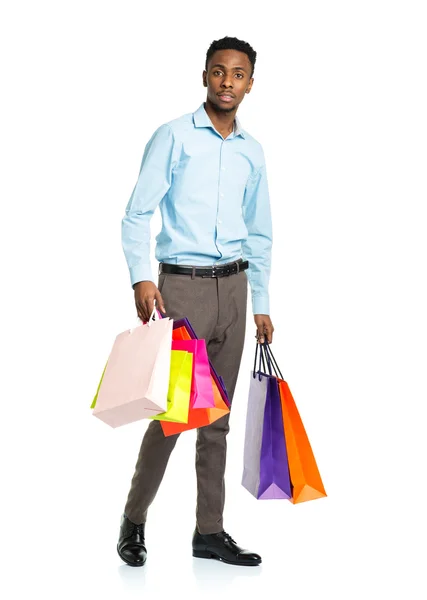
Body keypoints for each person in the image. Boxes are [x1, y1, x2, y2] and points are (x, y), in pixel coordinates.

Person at [118, 36, 274, 567]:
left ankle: (209, 530)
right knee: (174, 414)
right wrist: (142, 277)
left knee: (218, 420)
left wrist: (261, 303)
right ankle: (134, 521)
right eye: (218, 71)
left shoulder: (252, 151)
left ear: (251, 82)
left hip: (234, 289)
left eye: (238, 74)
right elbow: (137, 213)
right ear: (204, 76)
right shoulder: (173, 137)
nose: (227, 81)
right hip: (180, 287)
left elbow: (260, 233)